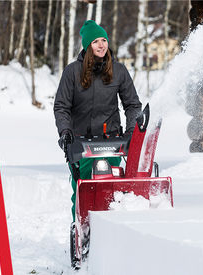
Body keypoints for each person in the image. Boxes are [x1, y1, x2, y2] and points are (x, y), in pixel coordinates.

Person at [53, 20, 142, 223]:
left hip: (111, 143)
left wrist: (131, 132)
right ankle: (81, 232)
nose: (101, 45)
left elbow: (132, 105)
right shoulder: (72, 72)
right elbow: (61, 107)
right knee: (83, 191)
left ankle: (111, 230)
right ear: (87, 45)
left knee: (111, 190)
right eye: (95, 41)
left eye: (104, 40)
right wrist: (65, 132)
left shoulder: (118, 71)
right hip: (81, 145)